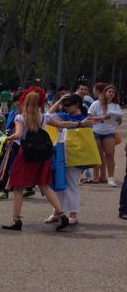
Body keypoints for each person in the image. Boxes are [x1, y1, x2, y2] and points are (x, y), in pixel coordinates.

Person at [0, 88, 70, 231]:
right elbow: (62, 125)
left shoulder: (20, 117)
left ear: (25, 101)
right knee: (44, 185)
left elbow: (19, 134)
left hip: (26, 154)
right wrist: (82, 124)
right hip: (42, 155)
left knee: (18, 186)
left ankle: (16, 220)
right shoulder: (44, 117)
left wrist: (8, 138)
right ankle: (62, 214)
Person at [47, 93, 98, 226]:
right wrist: (59, 100)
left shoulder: (86, 119)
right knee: (59, 184)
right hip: (61, 153)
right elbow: (48, 116)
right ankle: (58, 212)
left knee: (72, 184)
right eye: (65, 105)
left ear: (77, 104)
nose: (66, 107)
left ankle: (73, 214)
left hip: (76, 155)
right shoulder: (65, 116)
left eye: (68, 104)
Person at [87, 85, 122, 186]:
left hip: (109, 132)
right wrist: (103, 117)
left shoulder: (116, 106)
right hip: (96, 131)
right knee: (97, 155)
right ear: (105, 93)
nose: (111, 94)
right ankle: (96, 177)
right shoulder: (95, 104)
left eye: (113, 92)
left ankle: (110, 178)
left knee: (110, 154)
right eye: (109, 92)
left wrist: (117, 119)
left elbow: (118, 122)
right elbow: (89, 118)